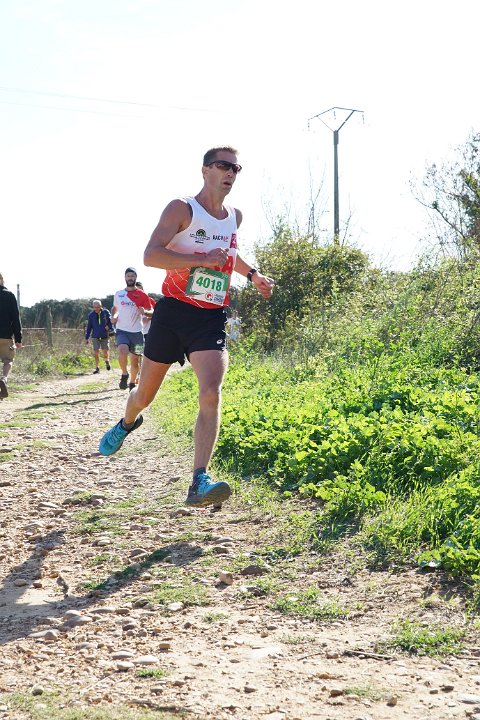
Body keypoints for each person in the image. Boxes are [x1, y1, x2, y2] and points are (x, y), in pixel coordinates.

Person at [99, 146, 274, 509]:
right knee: (143, 396)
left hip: (209, 317)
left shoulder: (234, 216)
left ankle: (199, 480)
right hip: (173, 313)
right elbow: (151, 255)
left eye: (236, 168)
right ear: (205, 170)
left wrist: (253, 275)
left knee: (211, 393)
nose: (231, 173)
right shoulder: (182, 209)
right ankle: (127, 422)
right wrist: (199, 259)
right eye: (224, 166)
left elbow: (230, 254)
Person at [111, 268, 154, 391]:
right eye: (128, 276)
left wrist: (145, 312)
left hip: (137, 333)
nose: (130, 278)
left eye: (132, 276)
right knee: (122, 351)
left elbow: (151, 311)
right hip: (122, 330)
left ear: (135, 277)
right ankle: (124, 374)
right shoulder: (119, 294)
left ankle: (132, 383)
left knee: (135, 361)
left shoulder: (142, 294)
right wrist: (114, 316)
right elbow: (115, 308)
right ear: (125, 278)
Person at [0, 273, 23, 399]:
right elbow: (15, 318)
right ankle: (4, 378)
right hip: (6, 335)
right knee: (8, 360)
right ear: (2, 280)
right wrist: (18, 339)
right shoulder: (9, 295)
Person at [85, 300, 114, 374]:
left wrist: (109, 327)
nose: (96, 309)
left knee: (105, 351)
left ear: (101, 306)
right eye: (95, 307)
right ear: (93, 307)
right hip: (95, 336)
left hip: (105, 335)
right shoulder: (91, 315)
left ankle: (107, 361)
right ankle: (97, 367)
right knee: (96, 352)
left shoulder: (106, 312)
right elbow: (89, 327)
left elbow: (111, 322)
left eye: (98, 307)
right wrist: (87, 337)